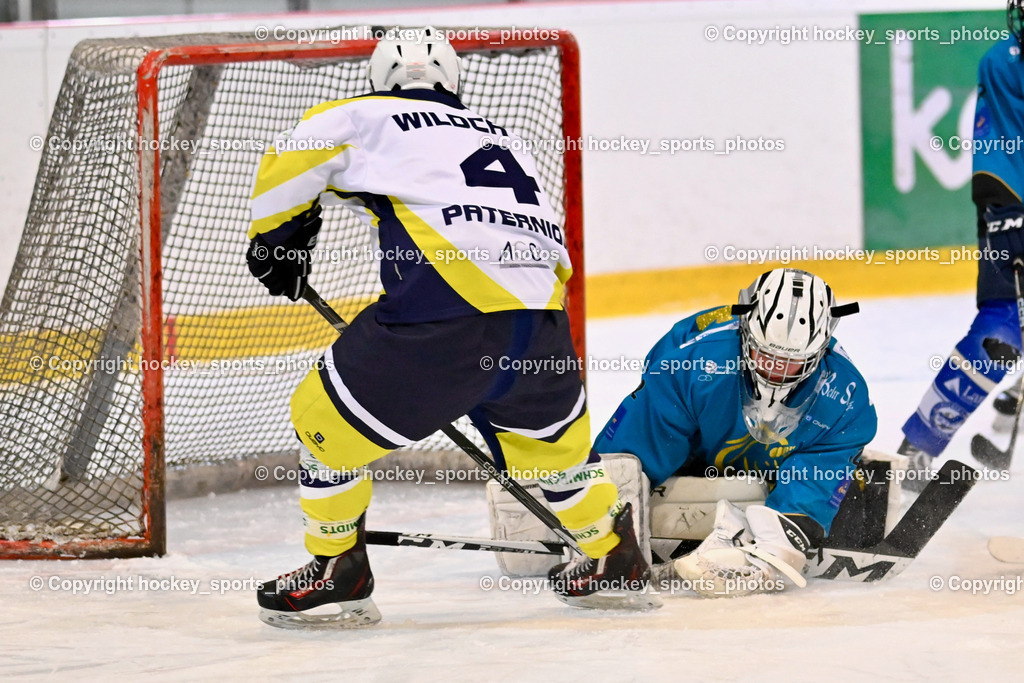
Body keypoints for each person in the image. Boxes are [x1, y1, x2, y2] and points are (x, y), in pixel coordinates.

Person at [245, 27, 655, 628]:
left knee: (320, 419)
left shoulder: (365, 115)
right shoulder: (503, 136)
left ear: (380, 80)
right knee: (553, 455)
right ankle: (612, 555)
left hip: (444, 319)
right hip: (540, 321)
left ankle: (338, 568)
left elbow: (294, 155)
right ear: (453, 80)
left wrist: (274, 240)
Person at [593, 268, 878, 596]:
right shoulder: (690, 360)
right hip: (691, 451)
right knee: (615, 477)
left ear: (820, 352)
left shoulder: (846, 397)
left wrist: (777, 546)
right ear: (745, 333)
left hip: (773, 467)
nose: (776, 370)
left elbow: (814, 480)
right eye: (765, 354)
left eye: (792, 362)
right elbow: (637, 449)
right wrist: (605, 522)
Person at [898, 1, 1024, 483]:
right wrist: (1008, 220)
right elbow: (999, 158)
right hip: (1014, 216)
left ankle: (1012, 405)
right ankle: (915, 452)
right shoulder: (1003, 61)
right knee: (1000, 338)